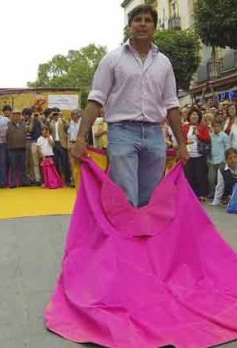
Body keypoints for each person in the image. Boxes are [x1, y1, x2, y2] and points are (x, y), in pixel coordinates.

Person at [70, 4, 188, 207]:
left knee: (152, 199)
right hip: (121, 133)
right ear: (130, 26)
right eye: (138, 20)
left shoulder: (164, 63)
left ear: (154, 27)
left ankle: (146, 238)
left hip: (154, 133)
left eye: (148, 20)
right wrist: (80, 137)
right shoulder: (112, 59)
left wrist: (182, 144)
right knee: (126, 197)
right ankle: (126, 239)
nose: (143, 24)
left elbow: (172, 105)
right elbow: (95, 100)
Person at [5, 109, 30, 188]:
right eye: (15, 114)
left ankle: (24, 182)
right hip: (12, 149)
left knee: (23, 166)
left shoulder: (23, 124)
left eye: (18, 114)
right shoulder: (8, 124)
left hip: (22, 148)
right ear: (12, 116)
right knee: (13, 166)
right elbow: (5, 136)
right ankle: (13, 183)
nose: (17, 116)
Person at [49, 110, 73, 187]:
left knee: (64, 163)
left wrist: (62, 117)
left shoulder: (62, 121)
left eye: (57, 114)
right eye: (54, 115)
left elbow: (68, 126)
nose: (55, 116)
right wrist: (49, 117)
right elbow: (46, 129)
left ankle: (67, 180)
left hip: (62, 144)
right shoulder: (51, 122)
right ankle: (58, 180)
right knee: (55, 163)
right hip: (54, 144)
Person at [208, 120, 230, 199]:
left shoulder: (224, 136)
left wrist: (226, 159)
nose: (216, 128)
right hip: (212, 160)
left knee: (220, 180)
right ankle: (212, 192)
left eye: (218, 126)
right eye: (214, 126)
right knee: (211, 179)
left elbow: (227, 148)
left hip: (221, 160)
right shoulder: (210, 135)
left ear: (221, 126)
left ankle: (220, 194)